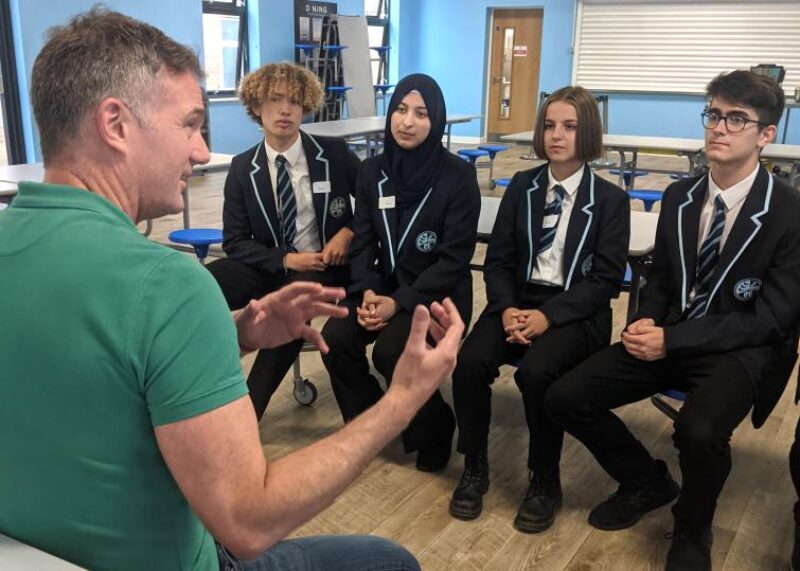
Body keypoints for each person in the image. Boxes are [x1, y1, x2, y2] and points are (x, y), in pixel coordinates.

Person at [0, 9, 466, 570]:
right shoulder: (169, 285)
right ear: (116, 125)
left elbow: (95, 356)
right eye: (190, 125)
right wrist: (403, 399)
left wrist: (233, 330)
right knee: (391, 560)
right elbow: (248, 522)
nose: (200, 152)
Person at [546, 70, 800, 571]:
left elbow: (771, 318)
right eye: (713, 115)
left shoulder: (789, 211)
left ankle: (693, 523)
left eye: (736, 119)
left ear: (766, 135)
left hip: (739, 350)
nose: (718, 129)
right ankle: (647, 480)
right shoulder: (679, 196)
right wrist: (643, 320)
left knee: (700, 431)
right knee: (566, 397)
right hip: (670, 336)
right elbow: (660, 276)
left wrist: (672, 337)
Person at [448, 86, 630, 531]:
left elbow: (604, 282)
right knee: (469, 362)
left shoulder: (610, 201)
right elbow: (499, 260)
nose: (557, 135)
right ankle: (475, 463)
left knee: (537, 373)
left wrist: (548, 317)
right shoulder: (523, 188)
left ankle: (544, 478)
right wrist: (507, 308)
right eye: (549, 125)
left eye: (569, 126)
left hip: (573, 310)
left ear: (587, 132)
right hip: (518, 298)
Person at [321, 73, 481, 472]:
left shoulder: (458, 177)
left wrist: (400, 302)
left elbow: (453, 260)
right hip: (384, 288)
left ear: (437, 121)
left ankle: (436, 425)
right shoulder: (372, 171)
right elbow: (362, 241)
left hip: (437, 294)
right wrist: (368, 291)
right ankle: (373, 420)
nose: (407, 122)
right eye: (400, 110)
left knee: (393, 351)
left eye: (421, 113)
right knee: (334, 338)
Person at [205, 62, 360, 420]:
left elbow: (371, 202)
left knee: (294, 300)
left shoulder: (333, 155)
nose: (285, 110)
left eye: (294, 101)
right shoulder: (244, 168)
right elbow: (235, 241)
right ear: (256, 107)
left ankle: (247, 411)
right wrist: (286, 260)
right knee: (205, 283)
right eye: (274, 100)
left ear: (306, 106)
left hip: (325, 268)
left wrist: (347, 232)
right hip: (274, 264)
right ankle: (192, 381)